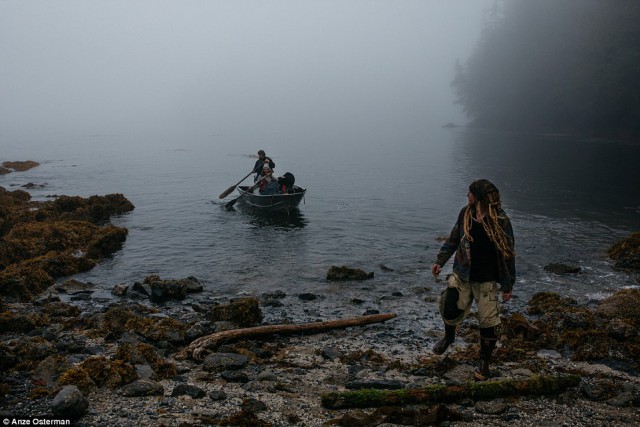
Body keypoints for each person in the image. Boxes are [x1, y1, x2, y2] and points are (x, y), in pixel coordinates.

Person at [430, 179, 516, 381]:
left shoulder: (501, 221)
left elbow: (508, 253)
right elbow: (453, 239)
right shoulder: (466, 214)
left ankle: (484, 362)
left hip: (487, 279)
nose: (467, 196)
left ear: (479, 197)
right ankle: (449, 336)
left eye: (469, 193)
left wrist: (508, 284)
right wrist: (440, 261)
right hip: (462, 274)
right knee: (449, 306)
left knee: (488, 322)